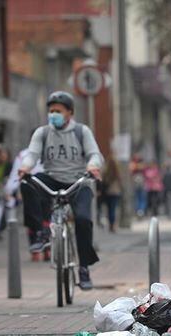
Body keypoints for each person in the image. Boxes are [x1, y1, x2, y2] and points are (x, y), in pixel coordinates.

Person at [18, 90, 104, 290]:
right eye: (51, 111)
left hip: (78, 181)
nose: (53, 114)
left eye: (58, 111)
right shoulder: (43, 132)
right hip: (51, 179)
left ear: (70, 113)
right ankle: (39, 232)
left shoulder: (81, 131)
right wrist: (25, 167)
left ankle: (83, 269)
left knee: (83, 219)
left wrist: (93, 166)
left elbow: (94, 154)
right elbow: (32, 155)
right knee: (27, 183)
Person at [101, 156, 123, 232]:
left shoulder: (106, 173)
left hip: (108, 193)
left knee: (109, 209)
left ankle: (110, 224)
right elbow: (120, 182)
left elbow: (103, 181)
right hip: (116, 193)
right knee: (113, 209)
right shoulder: (117, 172)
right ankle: (112, 225)